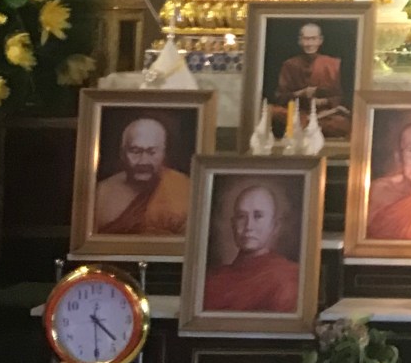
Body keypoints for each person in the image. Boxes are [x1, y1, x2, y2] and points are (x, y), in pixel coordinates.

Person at [201, 183, 300, 313]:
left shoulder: (288, 276)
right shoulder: (212, 280)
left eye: (258, 216)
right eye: (241, 216)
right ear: (233, 224)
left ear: (275, 225)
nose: (249, 226)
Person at [93, 116, 191, 237]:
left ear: (163, 153)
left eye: (152, 152)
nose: (143, 161)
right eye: (135, 151)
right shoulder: (102, 192)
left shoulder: (183, 188)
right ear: (122, 154)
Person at [270, 22, 348, 138]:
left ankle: (306, 125)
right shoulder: (289, 64)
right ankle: (307, 124)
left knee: (341, 123)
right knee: (273, 111)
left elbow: (340, 97)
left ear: (320, 40)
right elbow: (280, 97)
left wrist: (324, 101)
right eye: (306, 39)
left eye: (313, 39)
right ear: (300, 41)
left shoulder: (333, 64)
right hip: (297, 113)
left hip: (324, 115)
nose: (309, 44)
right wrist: (301, 93)